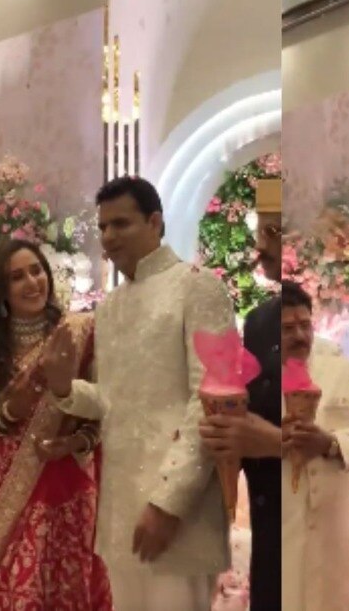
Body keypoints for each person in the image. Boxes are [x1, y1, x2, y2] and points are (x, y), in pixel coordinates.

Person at [49, 176, 235, 610]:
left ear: (154, 222)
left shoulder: (199, 287)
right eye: (104, 227)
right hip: (122, 509)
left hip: (178, 513)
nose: (109, 237)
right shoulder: (111, 306)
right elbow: (111, 401)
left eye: (121, 224)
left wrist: (169, 503)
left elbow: (212, 401)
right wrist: (63, 387)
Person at [0, 239, 111, 610]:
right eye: (17, 277)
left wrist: (73, 443)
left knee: (63, 592)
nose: (32, 282)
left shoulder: (82, 333)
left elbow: (106, 413)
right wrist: (11, 411)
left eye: (36, 271)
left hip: (67, 492)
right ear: (0, 291)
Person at [200, 177, 284, 610]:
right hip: (269, 516)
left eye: (274, 232)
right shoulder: (260, 321)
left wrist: (275, 442)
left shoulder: (328, 322)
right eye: (260, 232)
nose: (260, 247)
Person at [279, 281, 349, 610]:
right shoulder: (257, 380)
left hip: (337, 533)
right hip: (283, 529)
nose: (300, 336)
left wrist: (330, 443)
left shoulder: (348, 372)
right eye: (287, 329)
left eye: (305, 325)